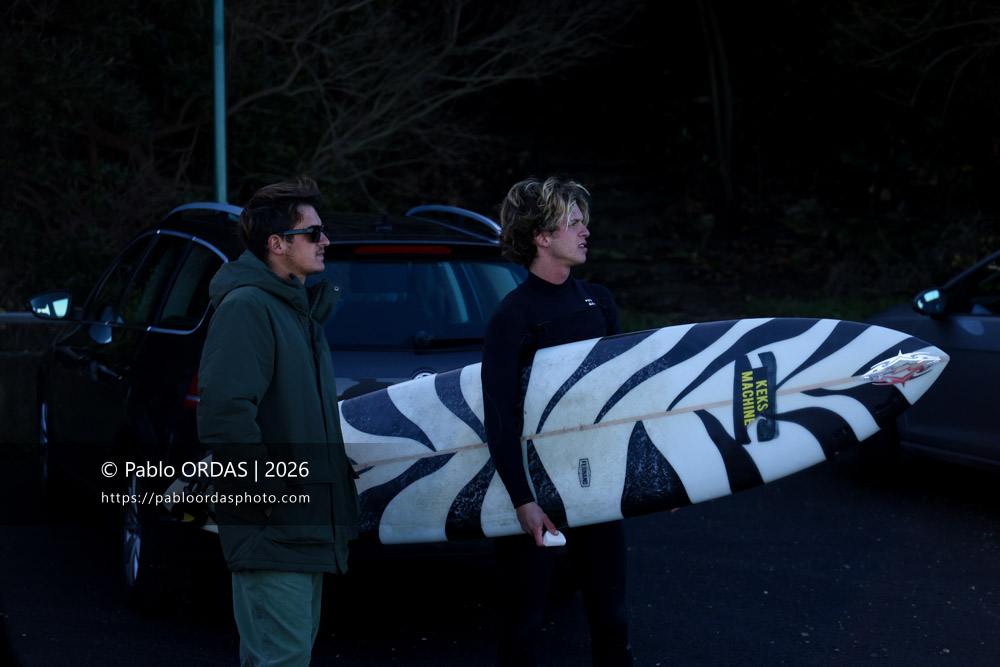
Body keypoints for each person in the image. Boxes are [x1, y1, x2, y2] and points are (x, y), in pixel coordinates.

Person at [197, 177, 359, 666]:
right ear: (277, 244)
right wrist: (266, 493)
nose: (324, 241)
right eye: (312, 233)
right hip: (274, 528)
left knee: (286, 658)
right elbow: (225, 414)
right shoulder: (249, 307)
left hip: (303, 527)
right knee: (281, 660)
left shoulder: (298, 312)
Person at [482, 176, 633, 666]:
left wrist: (655, 476)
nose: (585, 232)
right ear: (541, 236)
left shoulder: (599, 302)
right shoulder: (513, 315)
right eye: (574, 223)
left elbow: (620, 400)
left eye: (584, 222)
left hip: (596, 485)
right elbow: (498, 415)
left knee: (612, 619)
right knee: (525, 623)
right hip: (534, 489)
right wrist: (522, 500)